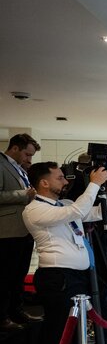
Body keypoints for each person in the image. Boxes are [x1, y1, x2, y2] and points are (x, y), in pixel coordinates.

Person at [22, 163, 107, 344]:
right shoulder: (34, 210)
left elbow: (100, 213)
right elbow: (78, 210)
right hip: (57, 277)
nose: (65, 181)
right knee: (58, 330)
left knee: (72, 329)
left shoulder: (63, 204)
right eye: (59, 178)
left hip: (75, 276)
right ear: (44, 182)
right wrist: (93, 184)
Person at [0, 133, 42, 330]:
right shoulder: (1, 164)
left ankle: (16, 311)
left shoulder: (20, 169)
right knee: (5, 276)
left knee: (19, 275)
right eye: (27, 154)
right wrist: (24, 194)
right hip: (7, 231)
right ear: (15, 148)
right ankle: (2, 317)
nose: (29, 159)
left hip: (24, 230)